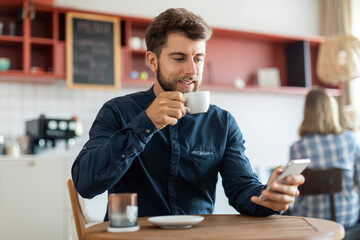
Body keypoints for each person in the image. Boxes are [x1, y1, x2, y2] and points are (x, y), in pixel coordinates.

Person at [72, 8, 304, 220]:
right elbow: (85, 183)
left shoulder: (222, 123)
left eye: (198, 58)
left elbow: (242, 189)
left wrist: (268, 198)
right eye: (179, 58)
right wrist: (146, 123)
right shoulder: (118, 111)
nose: (192, 70)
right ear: (153, 61)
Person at [289, 87, 360, 227]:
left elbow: (294, 190)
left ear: (307, 113)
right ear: (332, 111)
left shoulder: (297, 147)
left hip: (310, 222)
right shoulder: (350, 140)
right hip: (347, 218)